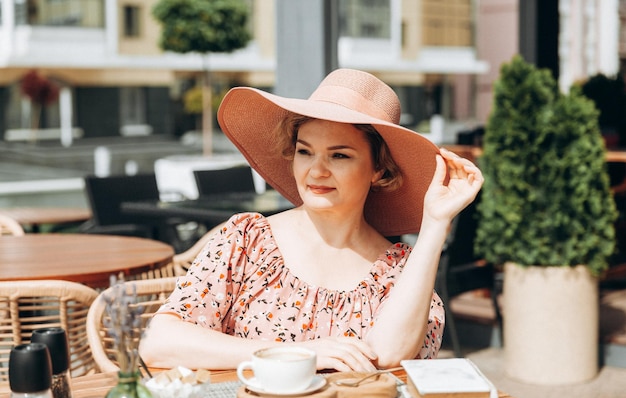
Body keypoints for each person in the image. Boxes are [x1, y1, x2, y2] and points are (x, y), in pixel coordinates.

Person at [139, 68, 483, 372]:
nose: (316, 170)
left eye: (339, 155)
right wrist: (297, 353)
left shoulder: (399, 275)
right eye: (305, 151)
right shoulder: (247, 241)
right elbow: (158, 342)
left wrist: (435, 223)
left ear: (378, 169)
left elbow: (389, 356)